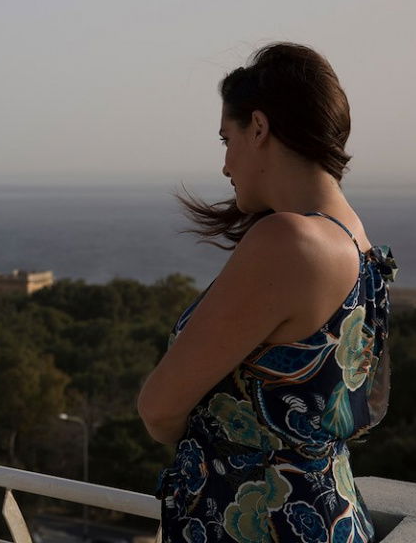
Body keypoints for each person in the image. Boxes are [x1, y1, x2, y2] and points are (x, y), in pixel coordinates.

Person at [137, 43, 398, 543]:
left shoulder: (289, 241)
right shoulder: (360, 244)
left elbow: (159, 407)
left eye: (226, 139)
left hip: (264, 523)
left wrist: (202, 444)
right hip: (328, 513)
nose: (225, 164)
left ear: (258, 128)